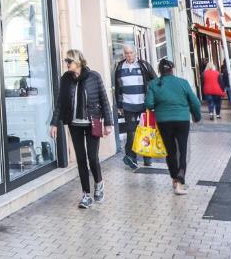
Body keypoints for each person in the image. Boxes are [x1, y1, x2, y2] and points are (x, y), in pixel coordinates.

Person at [50, 48, 113, 209]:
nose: (66, 64)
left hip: (93, 122)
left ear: (77, 62)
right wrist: (54, 123)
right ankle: (86, 194)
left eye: (68, 61)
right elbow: (60, 103)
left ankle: (98, 183)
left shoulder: (94, 77)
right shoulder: (66, 79)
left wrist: (108, 123)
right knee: (81, 159)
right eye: (66, 61)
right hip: (74, 124)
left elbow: (104, 100)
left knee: (92, 157)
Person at [145, 58, 202, 195]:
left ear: (159, 71)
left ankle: (175, 179)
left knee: (170, 151)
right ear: (172, 69)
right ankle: (181, 175)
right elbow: (195, 102)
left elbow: (149, 104)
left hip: (164, 121)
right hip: (182, 120)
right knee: (182, 149)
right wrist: (197, 116)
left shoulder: (154, 84)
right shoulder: (182, 83)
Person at [113, 45, 157, 170]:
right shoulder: (120, 67)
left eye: (131, 53)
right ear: (124, 54)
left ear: (135, 53)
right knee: (131, 132)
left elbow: (155, 81)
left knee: (146, 131)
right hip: (128, 105)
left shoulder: (143, 65)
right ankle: (131, 157)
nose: (129, 55)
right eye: (126, 53)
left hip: (144, 105)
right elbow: (117, 87)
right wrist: (119, 105)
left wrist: (152, 100)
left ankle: (147, 158)